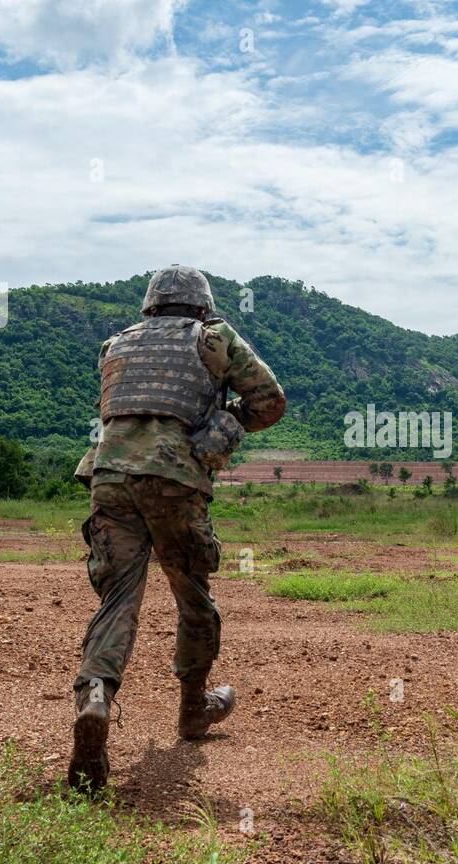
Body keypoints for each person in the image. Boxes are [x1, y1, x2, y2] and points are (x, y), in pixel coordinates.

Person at [68, 265, 286, 792]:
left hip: (110, 477)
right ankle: (193, 710)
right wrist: (224, 423)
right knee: (193, 600)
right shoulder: (214, 338)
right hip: (175, 479)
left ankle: (95, 698)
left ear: (149, 305)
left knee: (117, 601)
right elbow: (270, 402)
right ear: (200, 306)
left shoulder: (114, 345)